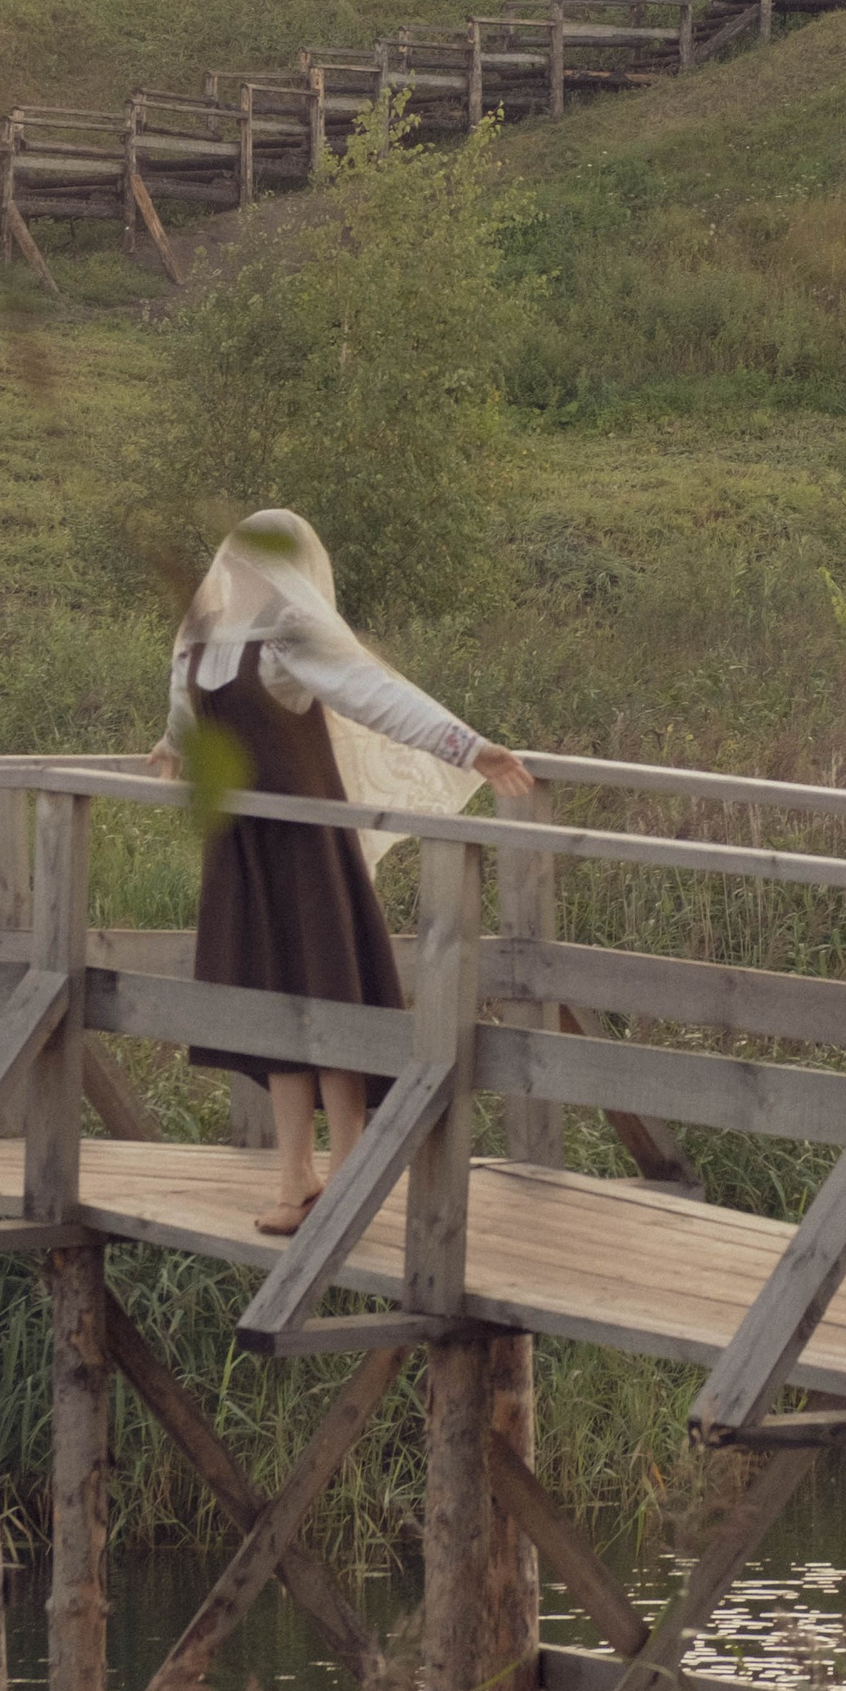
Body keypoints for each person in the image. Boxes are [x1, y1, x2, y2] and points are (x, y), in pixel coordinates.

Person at [150, 509, 534, 1234]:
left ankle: (350, 1169)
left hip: (306, 840)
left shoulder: (291, 635)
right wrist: (170, 748)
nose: (239, 570)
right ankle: (295, 1176)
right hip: (240, 843)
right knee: (271, 1002)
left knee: (327, 989)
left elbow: (374, 694)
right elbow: (183, 707)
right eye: (235, 558)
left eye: (257, 560)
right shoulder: (202, 635)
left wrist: (468, 746)